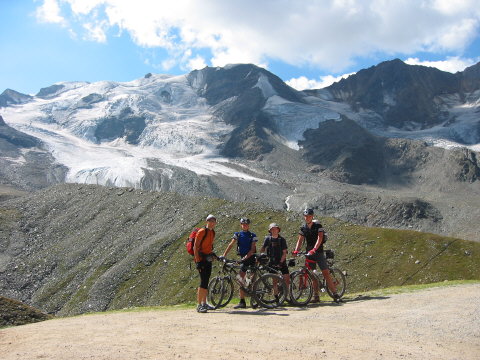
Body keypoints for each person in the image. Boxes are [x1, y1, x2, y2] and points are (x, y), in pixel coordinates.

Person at [293, 208, 340, 303]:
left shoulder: (318, 226)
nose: (307, 218)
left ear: (312, 216)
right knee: (312, 275)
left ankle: (335, 294)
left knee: (325, 273)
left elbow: (320, 238)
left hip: (318, 252)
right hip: (309, 253)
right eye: (305, 216)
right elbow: (300, 240)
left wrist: (314, 249)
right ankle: (316, 296)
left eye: (309, 216)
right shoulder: (303, 228)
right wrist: (296, 250)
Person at [222, 218, 258, 309]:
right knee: (240, 279)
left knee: (252, 280)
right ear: (241, 225)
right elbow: (231, 244)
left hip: (251, 258)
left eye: (246, 224)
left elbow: (253, 249)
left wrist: (246, 257)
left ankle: (254, 297)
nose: (244, 225)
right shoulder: (237, 234)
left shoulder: (253, 235)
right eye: (243, 224)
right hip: (243, 258)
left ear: (248, 225)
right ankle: (242, 302)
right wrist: (224, 255)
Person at [194, 214, 217, 313]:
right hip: (201, 259)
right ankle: (199, 305)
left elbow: (209, 246)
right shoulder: (202, 231)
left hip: (208, 259)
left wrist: (213, 255)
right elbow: (195, 247)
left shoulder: (212, 232)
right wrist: (198, 261)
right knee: (203, 282)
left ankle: (204, 303)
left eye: (213, 221)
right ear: (207, 221)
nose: (212, 223)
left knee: (206, 281)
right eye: (210, 221)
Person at [260, 222, 290, 290]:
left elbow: (284, 252)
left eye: (275, 229)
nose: (274, 230)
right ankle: (276, 298)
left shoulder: (282, 240)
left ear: (278, 230)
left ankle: (287, 295)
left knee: (287, 279)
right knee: (274, 282)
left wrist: (281, 262)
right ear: (270, 231)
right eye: (272, 229)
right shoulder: (267, 239)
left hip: (282, 262)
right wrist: (262, 256)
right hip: (272, 262)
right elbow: (262, 249)